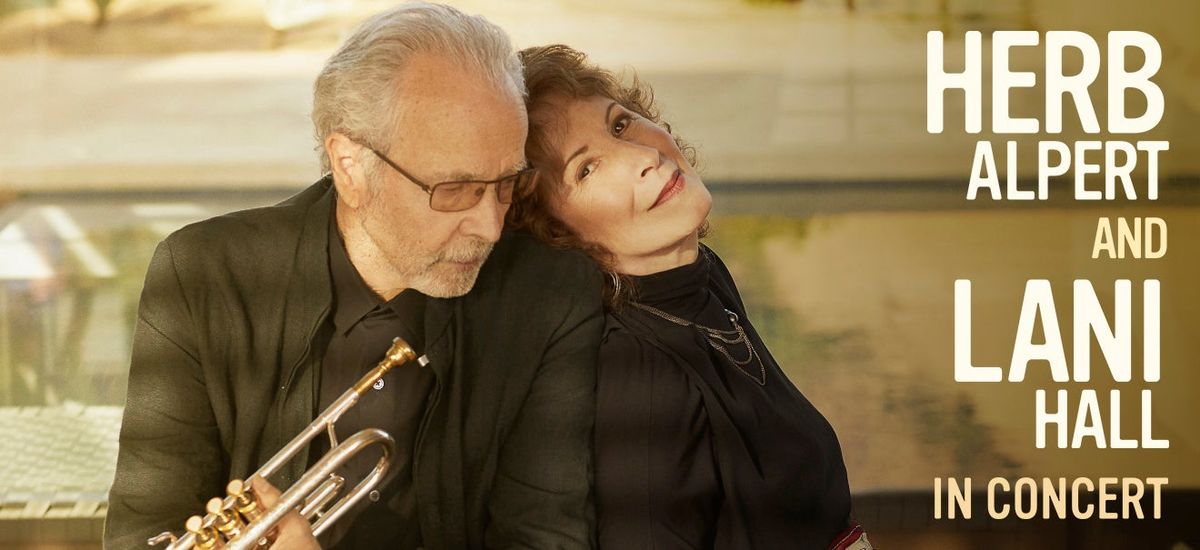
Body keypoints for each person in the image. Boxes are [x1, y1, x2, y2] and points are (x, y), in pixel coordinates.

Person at [104, 5, 603, 549]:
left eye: (506, 184)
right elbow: (142, 532)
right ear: (351, 166)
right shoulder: (203, 275)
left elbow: (546, 539)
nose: (490, 224)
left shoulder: (549, 297)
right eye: (455, 190)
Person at [508, 45, 871, 550]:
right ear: (554, 232)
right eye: (586, 169)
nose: (644, 157)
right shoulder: (640, 378)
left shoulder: (700, 278)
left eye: (620, 125)